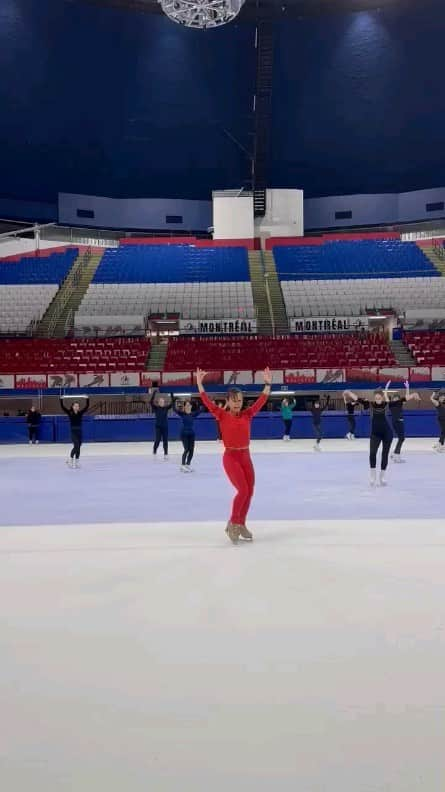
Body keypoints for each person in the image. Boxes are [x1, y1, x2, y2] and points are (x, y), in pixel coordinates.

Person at [197, 366, 271, 544]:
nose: (238, 403)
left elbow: (261, 400)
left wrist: (268, 383)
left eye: (240, 400)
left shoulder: (248, 414)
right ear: (228, 401)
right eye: (234, 400)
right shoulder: (221, 415)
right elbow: (206, 401)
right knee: (243, 490)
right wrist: (200, 383)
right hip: (231, 457)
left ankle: (241, 523)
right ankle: (233, 523)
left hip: (246, 457)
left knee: (250, 492)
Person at [345, 382, 393, 486]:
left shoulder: (386, 405)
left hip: (387, 433)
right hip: (375, 433)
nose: (377, 399)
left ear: (382, 397)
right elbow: (359, 399)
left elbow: (394, 401)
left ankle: (382, 476)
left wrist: (386, 392)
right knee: (372, 453)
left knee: (385, 454)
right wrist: (349, 393)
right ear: (374, 397)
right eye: (376, 397)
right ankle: (373, 475)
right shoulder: (370, 405)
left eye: (379, 397)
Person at [389, 380, 420, 462]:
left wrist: (407, 388)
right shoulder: (392, 403)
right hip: (397, 422)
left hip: (398, 422)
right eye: (395, 398)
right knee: (401, 438)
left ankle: (395, 453)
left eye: (397, 398)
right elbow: (409, 397)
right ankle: (396, 455)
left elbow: (407, 397)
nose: (396, 399)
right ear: (393, 399)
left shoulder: (398, 403)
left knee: (401, 438)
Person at [60, 396, 90, 468]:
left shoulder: (80, 413)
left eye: (78, 406)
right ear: (72, 406)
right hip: (73, 431)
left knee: (78, 447)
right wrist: (61, 399)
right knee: (76, 446)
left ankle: (77, 462)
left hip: (79, 432)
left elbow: (87, 406)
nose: (76, 407)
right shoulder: (70, 413)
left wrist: (87, 398)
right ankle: (70, 460)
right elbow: (62, 407)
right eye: (75, 406)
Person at [174, 399, 202, 472]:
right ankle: (182, 466)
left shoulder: (193, 414)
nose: (187, 406)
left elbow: (201, 410)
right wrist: (173, 400)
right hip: (184, 434)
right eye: (186, 405)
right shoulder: (182, 414)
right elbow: (174, 409)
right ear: (184, 406)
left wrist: (199, 403)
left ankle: (188, 465)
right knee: (186, 449)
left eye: (189, 405)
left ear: (191, 406)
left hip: (191, 434)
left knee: (191, 450)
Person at [150, 389, 174, 460]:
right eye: (160, 401)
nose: (161, 402)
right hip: (158, 427)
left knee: (165, 440)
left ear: (164, 403)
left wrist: (172, 395)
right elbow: (151, 402)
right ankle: (154, 450)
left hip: (165, 427)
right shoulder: (156, 408)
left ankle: (166, 453)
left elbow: (172, 404)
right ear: (158, 402)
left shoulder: (166, 408)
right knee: (157, 440)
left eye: (162, 401)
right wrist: (154, 394)